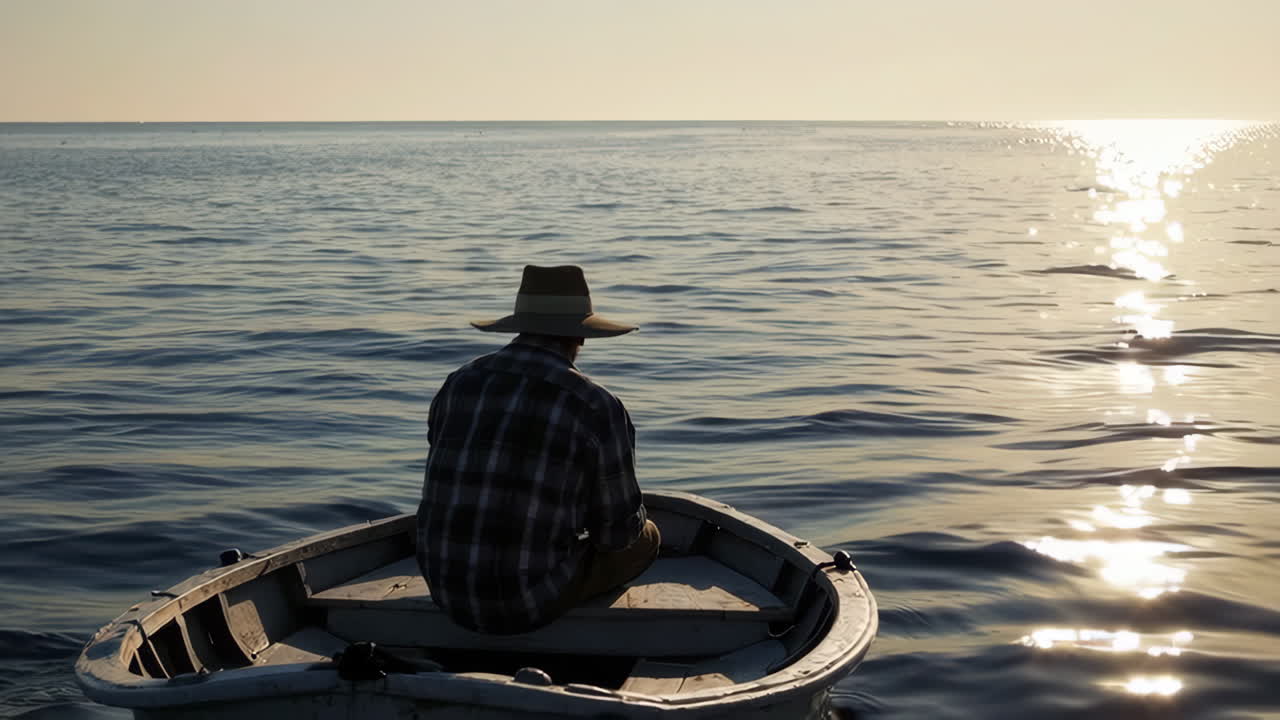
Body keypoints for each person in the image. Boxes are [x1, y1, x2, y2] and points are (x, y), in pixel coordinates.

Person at [416, 265, 661, 634]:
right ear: (581, 338)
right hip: (522, 603)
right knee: (647, 539)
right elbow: (617, 535)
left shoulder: (458, 384)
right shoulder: (596, 405)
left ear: (519, 325)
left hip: (446, 592)